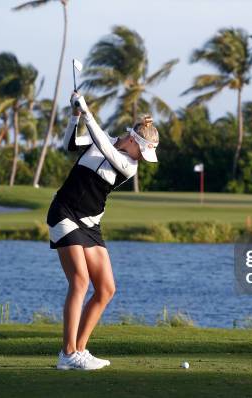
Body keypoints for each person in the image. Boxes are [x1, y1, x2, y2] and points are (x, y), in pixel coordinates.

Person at [46, 91, 159, 370]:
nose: (143, 159)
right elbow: (71, 143)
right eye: (143, 151)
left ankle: (79, 350)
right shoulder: (103, 139)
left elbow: (106, 149)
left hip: (91, 224)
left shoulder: (128, 166)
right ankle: (69, 353)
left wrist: (88, 112)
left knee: (106, 289)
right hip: (64, 213)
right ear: (133, 140)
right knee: (80, 281)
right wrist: (75, 115)